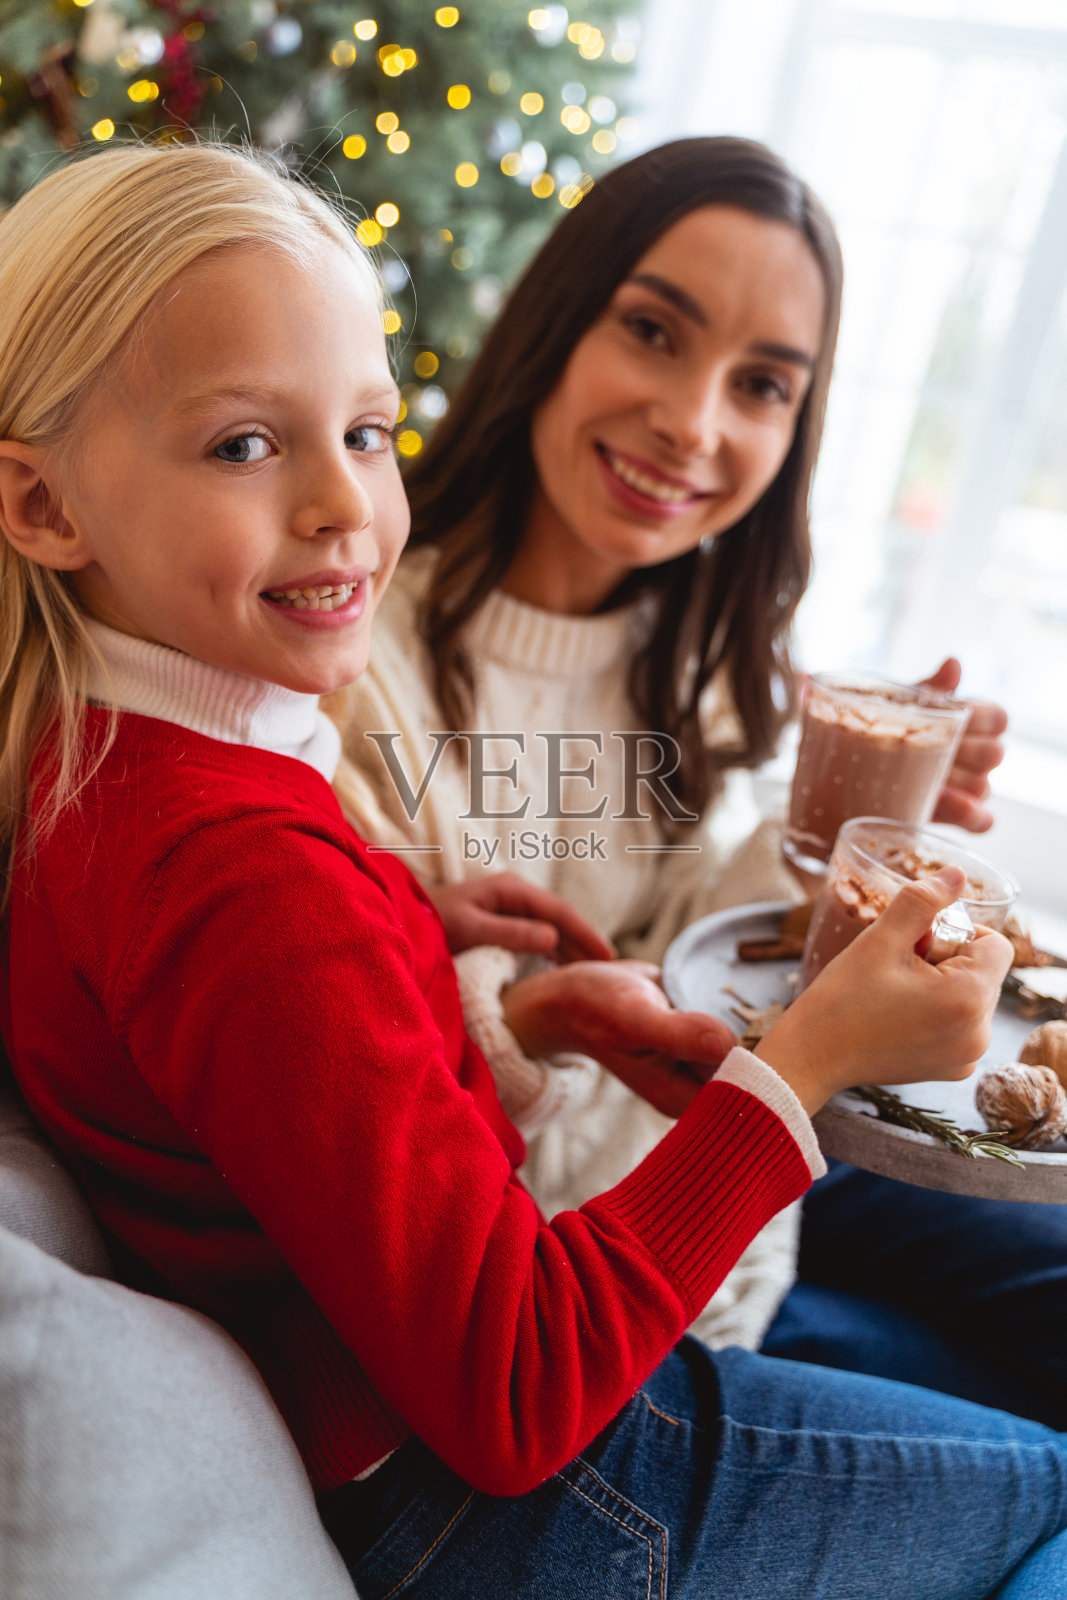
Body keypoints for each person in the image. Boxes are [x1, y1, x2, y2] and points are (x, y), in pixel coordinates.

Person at [1, 138, 1065, 1598]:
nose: (340, 505)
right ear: (42, 506)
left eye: (365, 431)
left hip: (553, 1303)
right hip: (515, 1462)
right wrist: (803, 1061)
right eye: (243, 443)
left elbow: (313, 1088)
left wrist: (498, 1009)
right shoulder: (258, 811)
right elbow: (512, 1383)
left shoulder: (161, 758)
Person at [338, 135, 1064, 1420]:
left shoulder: (691, 652)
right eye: (652, 331)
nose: (694, 424)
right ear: (554, 323)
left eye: (762, 384)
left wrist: (856, 846)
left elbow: (704, 976)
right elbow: (407, 1142)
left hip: (753, 1205)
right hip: (598, 1295)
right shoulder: (354, 662)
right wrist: (550, 1020)